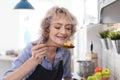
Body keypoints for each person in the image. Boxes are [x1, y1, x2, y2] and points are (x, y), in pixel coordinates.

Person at [1, 6, 77, 80]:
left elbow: (67, 77)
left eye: (68, 28)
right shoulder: (31, 49)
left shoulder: (66, 52)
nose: (63, 32)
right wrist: (33, 61)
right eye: (57, 27)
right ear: (47, 28)